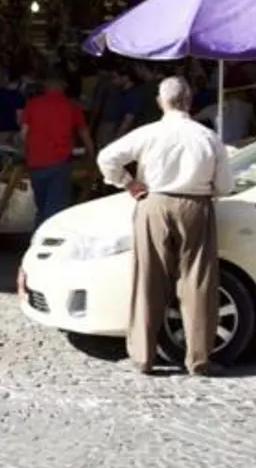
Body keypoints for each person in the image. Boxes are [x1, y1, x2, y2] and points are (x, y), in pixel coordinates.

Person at [95, 76, 233, 377]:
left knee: (148, 279)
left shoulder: (150, 133)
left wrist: (128, 183)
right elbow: (225, 186)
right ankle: (198, 359)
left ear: (161, 102)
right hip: (196, 205)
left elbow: (107, 157)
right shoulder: (207, 137)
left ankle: (143, 357)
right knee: (197, 282)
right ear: (190, 101)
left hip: (154, 203)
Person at [20, 71, 95, 228]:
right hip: (59, 164)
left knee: (41, 207)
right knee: (53, 211)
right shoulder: (72, 107)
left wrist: (24, 153)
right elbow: (85, 135)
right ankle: (44, 244)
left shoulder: (32, 104)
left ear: (45, 86)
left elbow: (23, 134)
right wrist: (92, 156)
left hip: (35, 163)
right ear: (64, 86)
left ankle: (37, 239)